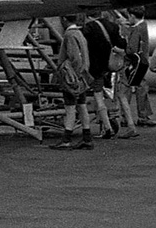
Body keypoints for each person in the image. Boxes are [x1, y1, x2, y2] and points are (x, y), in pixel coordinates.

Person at [82, 10, 135, 139]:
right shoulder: (113, 26)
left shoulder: (87, 29)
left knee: (99, 97)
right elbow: (122, 44)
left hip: (96, 67)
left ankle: (107, 127)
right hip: (112, 66)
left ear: (88, 16)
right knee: (120, 95)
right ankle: (130, 124)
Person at [51, 14, 96, 150]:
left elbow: (74, 57)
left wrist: (72, 75)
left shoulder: (69, 35)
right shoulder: (79, 34)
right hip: (82, 76)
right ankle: (87, 137)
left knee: (70, 108)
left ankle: (66, 139)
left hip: (73, 78)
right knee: (81, 106)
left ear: (64, 20)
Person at [121, 7, 155, 127]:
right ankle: (143, 116)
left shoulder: (136, 29)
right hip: (142, 62)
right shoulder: (143, 26)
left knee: (125, 89)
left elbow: (131, 49)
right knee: (142, 88)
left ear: (132, 16)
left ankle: (125, 116)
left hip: (132, 63)